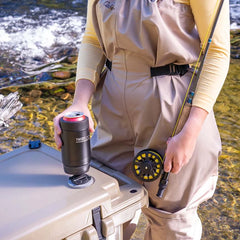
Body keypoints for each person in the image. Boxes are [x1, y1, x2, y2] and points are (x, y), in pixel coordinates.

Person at [54, 0, 230, 239]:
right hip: (111, 108)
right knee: (103, 209)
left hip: (172, 111)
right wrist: (79, 104)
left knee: (172, 221)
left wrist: (190, 131)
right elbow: (93, 39)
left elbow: (217, 53)